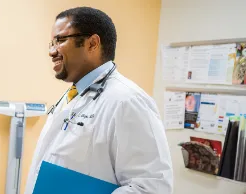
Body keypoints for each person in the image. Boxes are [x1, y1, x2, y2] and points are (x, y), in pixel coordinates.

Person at [25, 7, 173, 194]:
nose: (52, 51)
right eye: (51, 43)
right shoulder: (73, 96)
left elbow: (151, 188)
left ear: (93, 43)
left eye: (61, 40)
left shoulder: (128, 101)